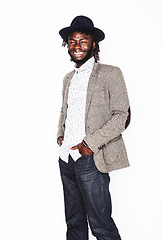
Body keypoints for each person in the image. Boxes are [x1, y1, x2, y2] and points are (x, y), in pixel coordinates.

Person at [57, 15, 131, 240]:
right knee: (74, 223)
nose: (77, 46)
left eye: (83, 41)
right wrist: (60, 135)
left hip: (91, 158)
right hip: (66, 159)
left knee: (101, 225)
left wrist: (90, 144)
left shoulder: (110, 73)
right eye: (72, 41)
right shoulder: (68, 78)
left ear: (94, 43)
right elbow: (65, 110)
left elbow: (122, 116)